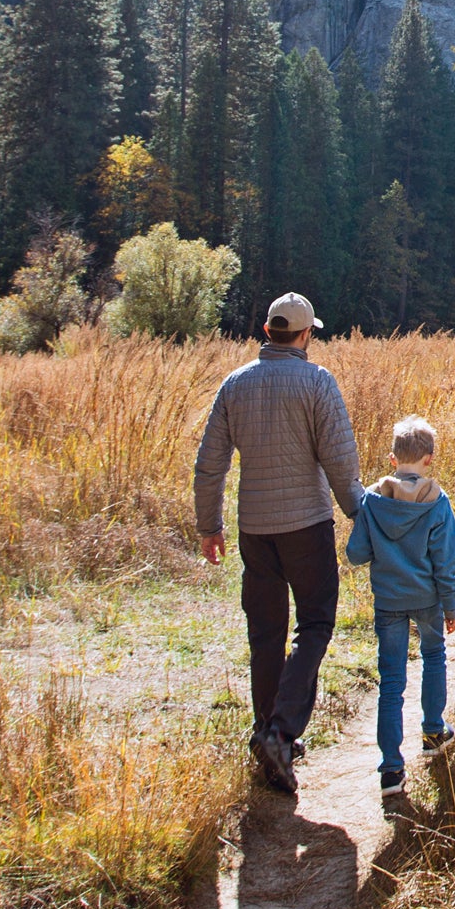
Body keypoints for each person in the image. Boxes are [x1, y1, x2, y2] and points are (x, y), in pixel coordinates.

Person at [194, 291, 365, 794]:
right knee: (315, 623)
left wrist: (209, 526)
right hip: (307, 527)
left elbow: (210, 464)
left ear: (268, 331)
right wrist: (363, 516)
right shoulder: (317, 382)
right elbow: (340, 461)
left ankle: (264, 736)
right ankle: (282, 732)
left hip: (254, 530)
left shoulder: (235, 384)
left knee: (266, 632)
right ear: (306, 334)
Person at [345, 415, 455, 798]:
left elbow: (356, 554)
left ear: (393, 460)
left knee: (391, 681)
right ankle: (432, 732)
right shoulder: (437, 503)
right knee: (433, 657)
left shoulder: (373, 502)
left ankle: (391, 770)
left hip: (389, 603)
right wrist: (450, 605)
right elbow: (445, 562)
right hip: (427, 600)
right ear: (429, 459)